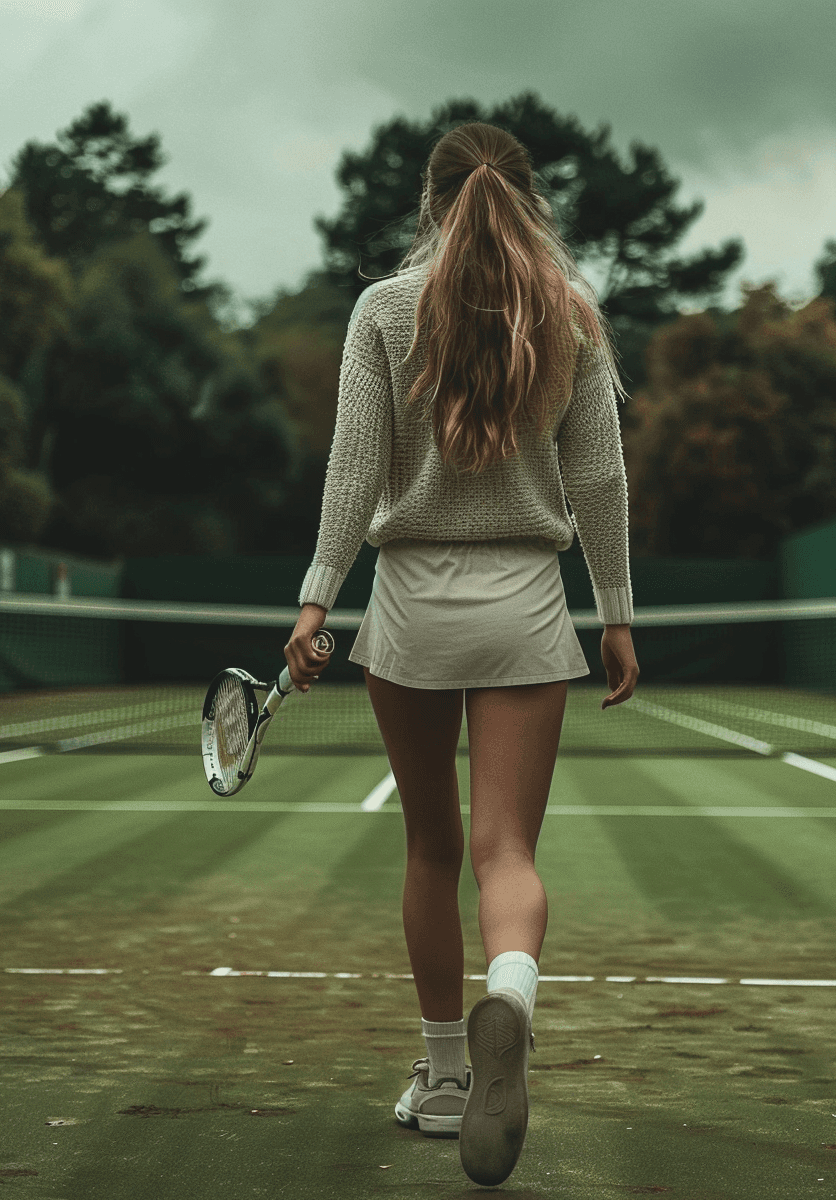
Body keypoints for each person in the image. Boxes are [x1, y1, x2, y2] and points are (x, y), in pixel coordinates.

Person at [283, 120, 639, 1188]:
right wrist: (616, 614)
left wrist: (314, 604)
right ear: (530, 198)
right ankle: (513, 1000)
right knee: (507, 857)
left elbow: (354, 476)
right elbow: (603, 483)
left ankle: (444, 1080)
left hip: (410, 611)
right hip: (529, 607)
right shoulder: (570, 312)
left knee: (431, 851)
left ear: (430, 204)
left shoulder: (382, 310)